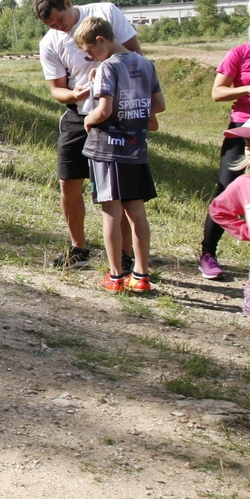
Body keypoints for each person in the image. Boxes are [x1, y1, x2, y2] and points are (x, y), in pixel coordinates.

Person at [34, 0, 143, 269]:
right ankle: (79, 249)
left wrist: (112, 76)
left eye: (60, 20)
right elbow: (56, 90)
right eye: (51, 26)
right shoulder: (49, 42)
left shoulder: (105, 12)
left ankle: (125, 255)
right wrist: (74, 95)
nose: (59, 28)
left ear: (69, 3)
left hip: (115, 115)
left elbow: (136, 56)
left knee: (118, 190)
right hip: (78, 114)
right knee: (68, 182)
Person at [75, 16, 165, 292]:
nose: (89, 56)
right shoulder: (145, 63)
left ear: (101, 40)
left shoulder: (108, 67)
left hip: (109, 148)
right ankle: (141, 275)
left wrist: (88, 121)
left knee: (111, 211)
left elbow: (104, 110)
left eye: (90, 51)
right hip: (136, 147)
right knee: (137, 211)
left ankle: (115, 277)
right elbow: (158, 105)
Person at [206, 90, 250, 411]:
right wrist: (249, 231)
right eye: (247, 141)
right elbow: (219, 210)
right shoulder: (244, 185)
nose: (249, 148)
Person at [199, 0, 250, 280]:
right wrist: (248, 89)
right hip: (244, 131)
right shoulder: (239, 54)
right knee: (226, 188)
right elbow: (217, 93)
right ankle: (208, 253)